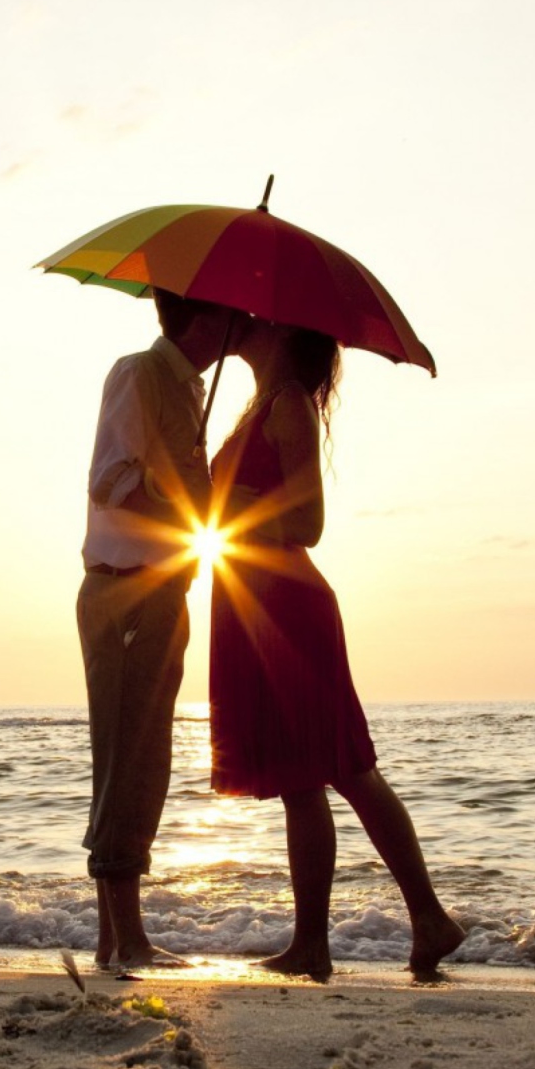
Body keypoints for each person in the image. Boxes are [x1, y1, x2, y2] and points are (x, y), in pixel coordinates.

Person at [209, 316, 466, 982]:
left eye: (255, 319)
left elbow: (309, 523)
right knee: (300, 781)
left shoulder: (289, 402)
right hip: (253, 602)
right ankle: (313, 945)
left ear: (280, 333)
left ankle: (428, 917)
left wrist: (235, 502)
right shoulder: (259, 405)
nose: (240, 323)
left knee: (345, 767)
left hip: (288, 605)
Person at [78, 288, 236, 970]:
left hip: (162, 589)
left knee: (149, 761)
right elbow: (110, 478)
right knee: (126, 760)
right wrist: (187, 509)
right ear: (202, 316)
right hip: (124, 590)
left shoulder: (190, 390)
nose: (242, 323)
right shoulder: (140, 373)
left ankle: (118, 941)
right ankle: (126, 939)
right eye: (231, 312)